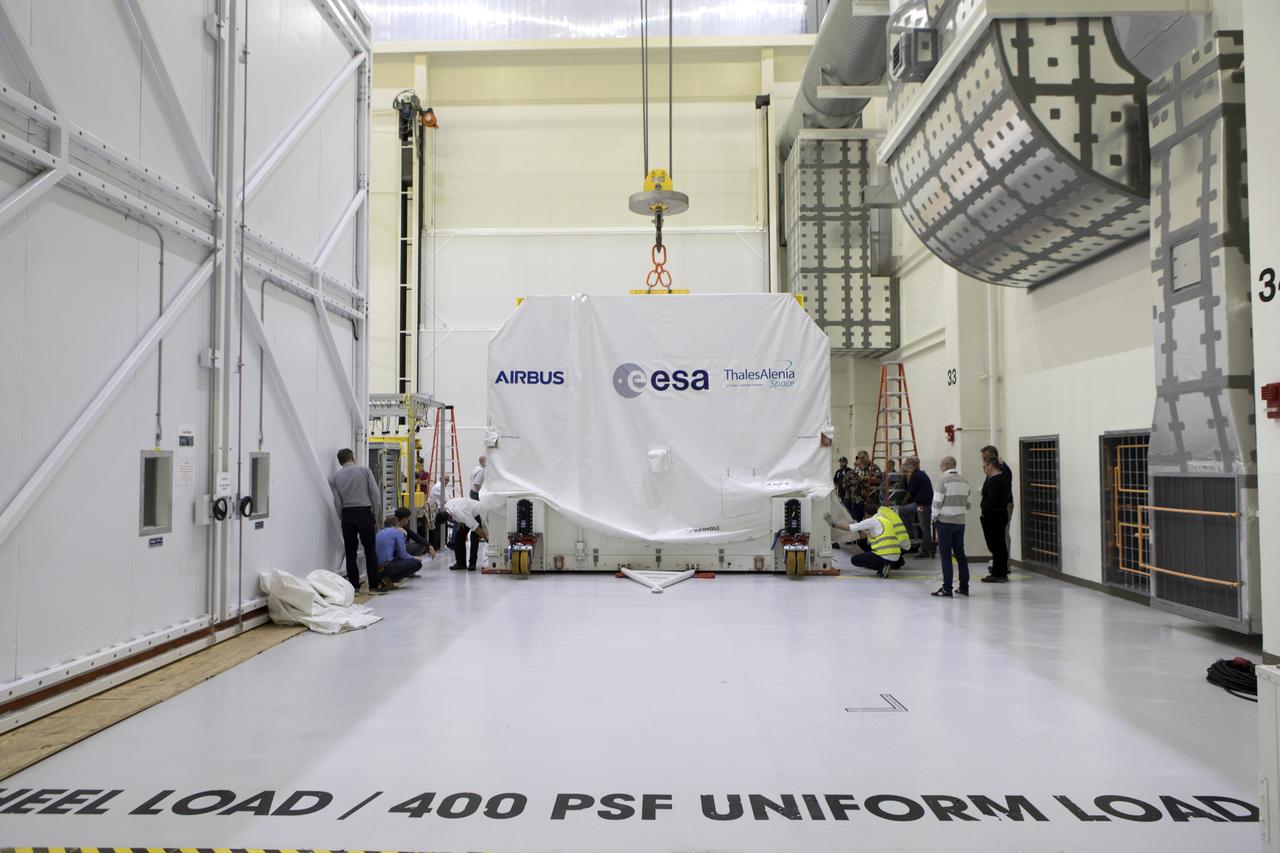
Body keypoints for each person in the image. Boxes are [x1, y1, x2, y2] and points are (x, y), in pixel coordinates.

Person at [329, 448, 382, 593]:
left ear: (340, 461)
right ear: (353, 457)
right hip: (364, 512)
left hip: (347, 514)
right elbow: (375, 493)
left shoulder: (334, 478)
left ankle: (354, 586)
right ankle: (373, 585)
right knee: (370, 550)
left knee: (350, 552)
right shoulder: (365, 471)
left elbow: (337, 502)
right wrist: (375, 513)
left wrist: (343, 517)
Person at [826, 494, 911, 578]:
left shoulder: (872, 521)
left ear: (869, 514)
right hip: (896, 554)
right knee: (866, 546)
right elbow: (872, 535)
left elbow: (850, 527)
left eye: (865, 515)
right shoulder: (885, 519)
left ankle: (882, 566)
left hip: (885, 555)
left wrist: (833, 524)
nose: (864, 517)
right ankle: (889, 565)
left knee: (855, 560)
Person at [930, 456, 972, 598]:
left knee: (946, 556)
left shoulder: (942, 480)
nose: (940, 466)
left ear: (947, 465)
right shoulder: (965, 482)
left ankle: (947, 588)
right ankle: (964, 587)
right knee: (961, 555)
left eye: (941, 464)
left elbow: (936, 503)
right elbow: (968, 505)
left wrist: (934, 518)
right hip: (960, 523)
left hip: (944, 523)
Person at [979, 458, 1012, 582]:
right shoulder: (1003, 478)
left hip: (993, 516)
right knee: (999, 545)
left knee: (996, 546)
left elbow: (991, 500)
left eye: (985, 467)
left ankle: (999, 573)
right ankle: (999, 572)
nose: (984, 469)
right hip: (999, 514)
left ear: (991, 466)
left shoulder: (995, 480)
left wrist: (985, 513)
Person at [374, 514, 424, 592]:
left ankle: (384, 578)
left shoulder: (379, 532)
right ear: (397, 525)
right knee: (417, 563)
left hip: (377, 568)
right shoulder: (397, 532)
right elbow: (402, 554)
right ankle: (390, 578)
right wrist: (414, 557)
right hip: (387, 566)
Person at [980, 445, 1014, 553]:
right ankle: (998, 561)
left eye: (985, 458)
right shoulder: (993, 469)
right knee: (996, 537)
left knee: (1002, 534)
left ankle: (1004, 565)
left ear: (993, 456)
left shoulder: (1002, 468)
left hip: (1001, 507)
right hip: (995, 508)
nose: (983, 461)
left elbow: (1004, 489)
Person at [899, 456, 934, 559]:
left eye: (907, 471)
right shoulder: (918, 474)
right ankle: (910, 534)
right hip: (921, 503)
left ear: (912, 467)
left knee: (925, 529)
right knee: (903, 511)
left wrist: (904, 502)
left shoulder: (917, 475)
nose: (906, 473)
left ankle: (925, 551)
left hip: (923, 505)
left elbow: (910, 491)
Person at [442, 494, 488, 571]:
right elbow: (457, 510)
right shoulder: (446, 506)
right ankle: (460, 564)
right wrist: (460, 522)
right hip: (466, 509)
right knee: (459, 536)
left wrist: (486, 538)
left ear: (448, 519)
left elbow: (476, 528)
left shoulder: (460, 514)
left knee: (474, 537)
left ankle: (472, 564)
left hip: (477, 511)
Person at [848, 451, 881, 522]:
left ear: (868, 457)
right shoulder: (858, 468)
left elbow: (878, 480)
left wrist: (864, 478)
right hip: (857, 500)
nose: (861, 460)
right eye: (860, 458)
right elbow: (851, 479)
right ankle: (859, 533)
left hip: (870, 500)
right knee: (856, 521)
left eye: (863, 458)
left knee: (870, 521)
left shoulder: (874, 467)